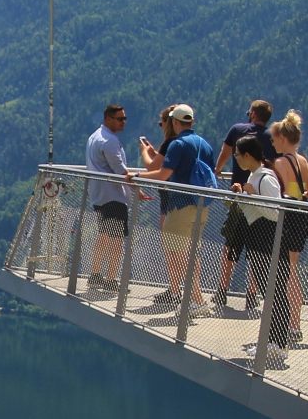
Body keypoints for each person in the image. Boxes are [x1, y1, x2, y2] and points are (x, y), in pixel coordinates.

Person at [131, 103, 219, 315]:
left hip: (180, 206)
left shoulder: (177, 144)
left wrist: (136, 176)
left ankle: (196, 301)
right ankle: (197, 300)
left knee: (178, 254)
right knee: (192, 254)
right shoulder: (204, 144)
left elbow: (162, 174)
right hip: (201, 205)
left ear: (175, 122)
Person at [229, 137, 290, 365]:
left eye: (237, 154)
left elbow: (276, 211)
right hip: (259, 239)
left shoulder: (266, 178)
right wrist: (242, 195)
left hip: (270, 240)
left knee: (276, 292)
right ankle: (270, 341)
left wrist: (251, 196)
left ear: (247, 155)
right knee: (268, 291)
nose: (235, 158)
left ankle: (278, 344)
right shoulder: (253, 177)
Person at [214, 100, 276, 310]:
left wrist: (218, 169)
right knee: (255, 246)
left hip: (238, 195)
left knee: (231, 242)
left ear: (252, 114)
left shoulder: (237, 130)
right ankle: (251, 294)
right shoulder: (270, 137)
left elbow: (225, 152)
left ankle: (222, 290)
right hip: (259, 198)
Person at [269, 111, 308, 343]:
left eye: (273, 138)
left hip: (284, 221)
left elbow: (275, 195)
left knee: (284, 273)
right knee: (292, 270)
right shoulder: (302, 161)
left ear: (282, 138)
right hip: (299, 219)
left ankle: (288, 325)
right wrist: (296, 196)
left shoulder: (280, 163)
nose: (272, 142)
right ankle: (295, 323)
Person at [84, 104, 141, 290]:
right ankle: (110, 280)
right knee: (116, 239)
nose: (123, 122)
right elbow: (121, 170)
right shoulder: (110, 141)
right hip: (113, 196)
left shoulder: (94, 137)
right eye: (120, 119)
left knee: (104, 235)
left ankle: (95, 274)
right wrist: (137, 190)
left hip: (98, 194)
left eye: (124, 118)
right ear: (108, 118)